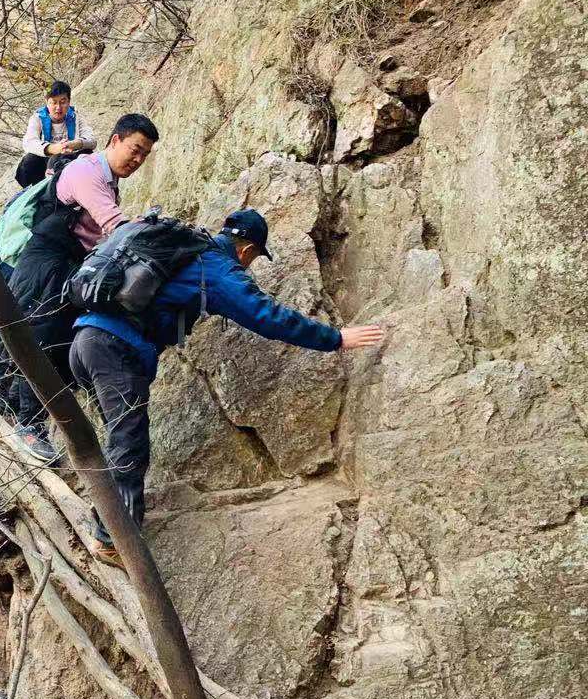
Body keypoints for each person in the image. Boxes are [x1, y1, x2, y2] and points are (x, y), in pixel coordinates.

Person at [69, 208, 386, 563]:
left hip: (83, 341)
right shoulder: (216, 266)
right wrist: (335, 338)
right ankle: (113, 540)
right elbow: (264, 314)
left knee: (117, 440)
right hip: (116, 348)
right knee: (129, 442)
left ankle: (103, 521)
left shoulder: (186, 251)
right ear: (247, 251)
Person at [7, 113, 159, 461]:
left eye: (144, 156)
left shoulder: (109, 181)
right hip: (48, 263)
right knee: (42, 338)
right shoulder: (86, 172)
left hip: (70, 265)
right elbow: (115, 226)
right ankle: (25, 425)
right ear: (115, 140)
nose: (137, 160)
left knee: (64, 344)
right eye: (135, 150)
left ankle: (36, 426)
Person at [16, 80, 96, 188]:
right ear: (47, 102)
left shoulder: (75, 117)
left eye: (63, 102)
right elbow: (29, 142)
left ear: (69, 101)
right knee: (28, 161)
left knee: (88, 153)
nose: (58, 108)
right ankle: (37, 192)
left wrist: (75, 144)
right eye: (54, 102)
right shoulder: (38, 118)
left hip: (70, 157)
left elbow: (92, 140)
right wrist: (52, 149)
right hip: (46, 160)